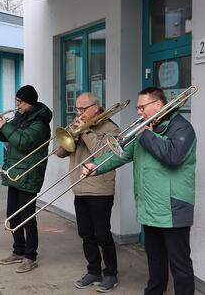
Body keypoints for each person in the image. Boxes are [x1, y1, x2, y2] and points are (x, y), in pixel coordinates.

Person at [82, 87, 196, 295]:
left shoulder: (181, 128)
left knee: (179, 264)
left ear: (158, 105)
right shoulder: (147, 129)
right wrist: (95, 165)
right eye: (137, 108)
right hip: (150, 207)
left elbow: (173, 156)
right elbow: (122, 154)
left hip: (174, 208)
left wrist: (146, 135)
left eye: (142, 107)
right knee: (155, 259)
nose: (138, 112)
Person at [56, 93, 120, 292]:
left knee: (102, 234)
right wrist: (73, 134)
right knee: (86, 234)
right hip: (80, 187)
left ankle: (110, 273)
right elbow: (60, 152)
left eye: (83, 109)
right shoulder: (78, 126)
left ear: (96, 107)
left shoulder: (111, 127)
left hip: (100, 189)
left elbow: (102, 155)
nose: (79, 113)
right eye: (77, 109)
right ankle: (93, 271)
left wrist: (85, 131)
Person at [0, 85, 52, 273]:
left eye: (20, 101)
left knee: (28, 218)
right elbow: (6, 137)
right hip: (15, 173)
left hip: (29, 174)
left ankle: (30, 256)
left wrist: (6, 126)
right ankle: (18, 250)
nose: (17, 105)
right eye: (16, 100)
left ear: (29, 102)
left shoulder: (40, 123)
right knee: (13, 215)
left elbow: (24, 142)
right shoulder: (21, 117)